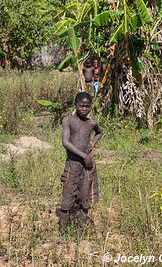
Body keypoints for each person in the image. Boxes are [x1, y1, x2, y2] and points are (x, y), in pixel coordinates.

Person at [59, 92, 103, 242]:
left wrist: (92, 143)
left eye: (88, 106)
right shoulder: (68, 120)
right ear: (75, 105)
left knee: (85, 198)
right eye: (81, 105)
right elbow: (66, 142)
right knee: (67, 197)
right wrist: (84, 156)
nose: (84, 109)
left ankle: (81, 231)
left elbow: (100, 132)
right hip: (72, 164)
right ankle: (62, 233)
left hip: (86, 167)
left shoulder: (91, 123)